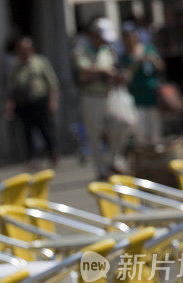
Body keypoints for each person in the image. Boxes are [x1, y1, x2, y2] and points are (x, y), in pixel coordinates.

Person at [73, 17, 128, 178]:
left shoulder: (108, 50)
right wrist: (103, 71)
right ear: (94, 35)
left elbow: (115, 67)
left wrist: (117, 76)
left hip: (110, 94)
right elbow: (83, 70)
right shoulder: (82, 49)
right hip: (91, 97)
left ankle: (113, 160)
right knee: (94, 134)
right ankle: (101, 170)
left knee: (122, 124)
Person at [4, 36, 60, 168]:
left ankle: (53, 153)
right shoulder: (15, 65)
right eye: (21, 49)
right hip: (24, 102)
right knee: (27, 132)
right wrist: (10, 105)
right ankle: (33, 158)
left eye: (26, 48)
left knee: (45, 128)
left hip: (39, 100)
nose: (23, 51)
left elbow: (52, 83)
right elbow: (12, 87)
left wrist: (53, 101)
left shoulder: (40, 61)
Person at [120, 21, 165, 145]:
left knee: (155, 134)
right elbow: (125, 77)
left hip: (152, 96)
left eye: (131, 34)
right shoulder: (124, 56)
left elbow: (161, 67)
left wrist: (152, 59)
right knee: (141, 134)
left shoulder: (148, 48)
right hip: (136, 99)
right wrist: (136, 63)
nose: (129, 38)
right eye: (126, 36)